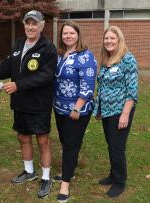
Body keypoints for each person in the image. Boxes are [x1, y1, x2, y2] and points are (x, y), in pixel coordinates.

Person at [0, 10, 57, 198]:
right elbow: (7, 66)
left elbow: (45, 76)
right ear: (24, 24)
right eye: (28, 23)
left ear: (42, 26)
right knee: (23, 137)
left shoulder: (48, 48)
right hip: (20, 103)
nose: (31, 27)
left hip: (39, 104)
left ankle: (45, 177)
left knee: (42, 140)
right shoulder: (18, 44)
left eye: (35, 23)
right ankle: (29, 171)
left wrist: (18, 85)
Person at [53, 21, 97, 202]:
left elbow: (88, 85)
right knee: (66, 142)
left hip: (77, 109)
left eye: (71, 33)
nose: (68, 36)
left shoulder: (85, 57)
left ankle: (65, 183)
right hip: (59, 108)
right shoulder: (60, 55)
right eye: (65, 33)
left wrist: (77, 107)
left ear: (78, 35)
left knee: (70, 145)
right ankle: (69, 169)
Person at [93, 26, 138, 198]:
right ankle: (113, 175)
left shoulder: (127, 59)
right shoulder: (107, 59)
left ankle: (119, 182)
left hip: (120, 111)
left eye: (112, 38)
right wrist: (99, 109)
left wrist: (125, 114)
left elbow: (132, 90)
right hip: (107, 111)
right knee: (111, 145)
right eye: (106, 39)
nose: (109, 41)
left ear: (119, 40)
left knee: (117, 147)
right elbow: (102, 86)